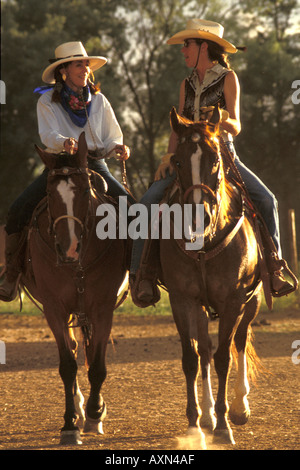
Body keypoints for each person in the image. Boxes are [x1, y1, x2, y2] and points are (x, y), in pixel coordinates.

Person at [130, 18, 294, 303]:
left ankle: (274, 266)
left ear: (203, 46)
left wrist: (220, 120)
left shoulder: (228, 78)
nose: (183, 51)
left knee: (267, 200)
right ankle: (142, 275)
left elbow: (237, 124)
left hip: (221, 154)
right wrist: (168, 156)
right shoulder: (186, 84)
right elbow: (177, 125)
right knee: (146, 204)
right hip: (184, 156)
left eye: (187, 45)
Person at [0, 41, 135, 302]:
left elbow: (110, 137)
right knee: (18, 209)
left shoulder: (99, 100)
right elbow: (47, 134)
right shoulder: (47, 101)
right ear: (64, 70)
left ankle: (139, 272)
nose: (84, 68)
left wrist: (117, 147)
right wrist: (64, 142)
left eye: (85, 63)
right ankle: (12, 273)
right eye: (78, 64)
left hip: (94, 163)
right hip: (60, 164)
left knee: (133, 209)